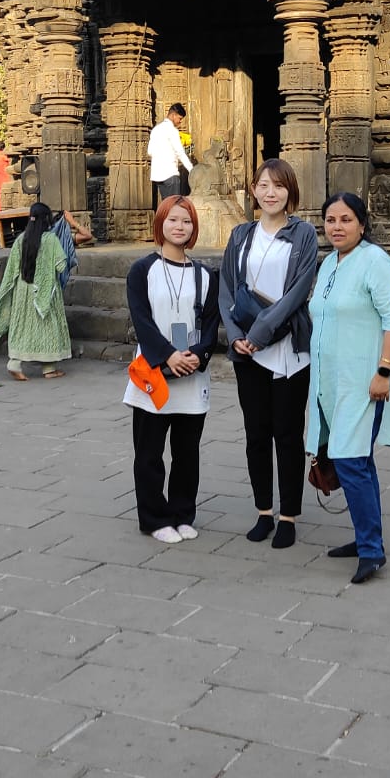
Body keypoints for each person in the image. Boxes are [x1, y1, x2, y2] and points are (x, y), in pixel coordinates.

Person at [306, 192, 390, 584]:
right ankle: (367, 538)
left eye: (345, 219)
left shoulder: (374, 261)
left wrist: (384, 371)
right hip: (329, 382)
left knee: (350, 460)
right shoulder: (330, 262)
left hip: (364, 382)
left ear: (362, 224)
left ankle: (371, 550)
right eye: (330, 220)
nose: (337, 227)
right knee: (355, 461)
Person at [220, 159, 320, 549]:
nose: (270, 192)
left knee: (288, 434)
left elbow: (298, 291)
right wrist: (237, 338)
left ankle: (289, 515)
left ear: (290, 192)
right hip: (248, 352)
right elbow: (227, 289)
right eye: (263, 185)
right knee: (256, 434)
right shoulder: (241, 235)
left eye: (278, 186)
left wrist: (259, 332)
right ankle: (264, 511)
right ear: (254, 190)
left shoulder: (304, 235)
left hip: (288, 351)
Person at [125, 195, 221, 543]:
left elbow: (211, 323)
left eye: (187, 222)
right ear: (160, 223)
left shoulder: (206, 274)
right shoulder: (142, 270)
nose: (180, 227)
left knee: (187, 452)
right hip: (153, 375)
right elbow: (142, 320)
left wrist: (198, 353)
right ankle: (153, 517)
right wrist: (167, 356)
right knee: (149, 452)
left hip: (193, 374)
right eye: (173, 220)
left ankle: (182, 513)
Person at [0, 201, 71, 381]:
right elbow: (61, 265)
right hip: (45, 291)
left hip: (23, 290)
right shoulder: (51, 240)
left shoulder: (20, 240)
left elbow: (11, 270)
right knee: (48, 328)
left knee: (23, 327)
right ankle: (49, 368)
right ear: (46, 219)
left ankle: (15, 363)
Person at [147, 103, 194, 202]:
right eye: (180, 118)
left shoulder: (155, 130)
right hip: (170, 174)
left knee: (166, 208)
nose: (180, 122)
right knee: (174, 208)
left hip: (158, 175)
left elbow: (150, 151)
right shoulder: (172, 130)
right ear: (173, 115)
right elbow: (180, 152)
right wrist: (192, 170)